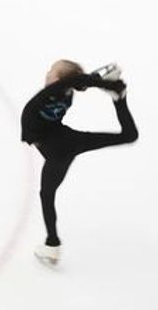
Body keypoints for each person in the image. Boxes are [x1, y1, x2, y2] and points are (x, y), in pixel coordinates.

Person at [20, 61, 138, 266]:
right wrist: (106, 83)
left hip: (58, 151)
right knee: (129, 136)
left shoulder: (46, 96)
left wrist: (105, 83)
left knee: (46, 195)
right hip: (71, 141)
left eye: (50, 71)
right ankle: (120, 100)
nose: (46, 73)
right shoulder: (67, 93)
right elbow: (79, 83)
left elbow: (77, 81)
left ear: (57, 80)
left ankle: (52, 245)